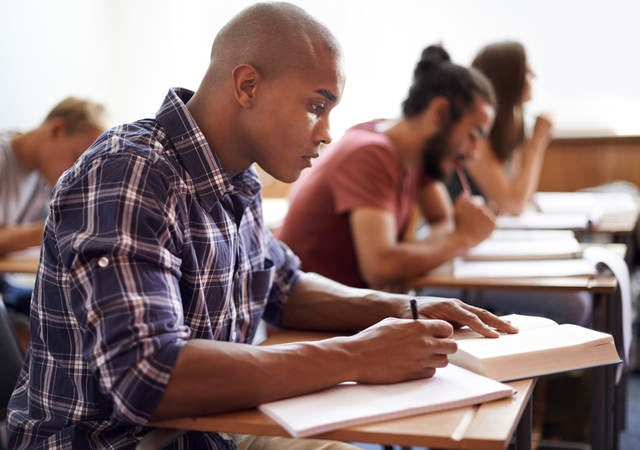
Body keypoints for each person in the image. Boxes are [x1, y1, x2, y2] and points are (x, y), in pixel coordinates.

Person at [6, 3, 517, 449]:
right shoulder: (133, 171)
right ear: (247, 85)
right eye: (316, 106)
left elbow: (282, 284)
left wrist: (407, 309)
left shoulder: (237, 177)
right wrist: (355, 356)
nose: (326, 133)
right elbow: (149, 376)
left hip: (209, 430)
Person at [277, 45, 498, 290]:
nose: (475, 152)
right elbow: (381, 268)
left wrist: (423, 249)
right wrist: (463, 238)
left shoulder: (416, 152)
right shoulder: (371, 154)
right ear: (440, 113)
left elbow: (441, 219)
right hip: (313, 320)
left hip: (360, 309)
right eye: (473, 134)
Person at [0, 97, 106, 315]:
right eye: (77, 158)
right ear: (57, 129)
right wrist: (58, 225)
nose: (77, 171)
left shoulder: (42, 178)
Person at [446, 41, 553, 215]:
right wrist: (537, 144)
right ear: (508, 79)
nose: (534, 75)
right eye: (526, 71)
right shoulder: (472, 132)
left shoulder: (511, 125)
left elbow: (522, 196)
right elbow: (514, 204)